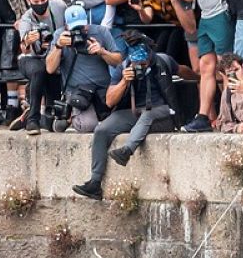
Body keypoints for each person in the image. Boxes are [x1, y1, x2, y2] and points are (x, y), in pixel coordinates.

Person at [72, 32, 178, 200]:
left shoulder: (163, 61)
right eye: (136, 63)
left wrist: (198, 77)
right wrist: (124, 81)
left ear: (149, 56)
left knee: (148, 115)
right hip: (136, 111)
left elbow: (183, 71)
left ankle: (127, 151)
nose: (139, 66)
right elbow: (109, 101)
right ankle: (95, 182)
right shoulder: (124, 67)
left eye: (142, 63)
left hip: (162, 112)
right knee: (101, 130)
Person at [155, 0, 228, 132]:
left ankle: (231, 114)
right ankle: (203, 117)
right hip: (206, 16)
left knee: (226, 67)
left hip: (221, 13)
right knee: (205, 68)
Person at [45, 4, 125, 133]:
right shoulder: (60, 35)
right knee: (87, 126)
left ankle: (75, 116)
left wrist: (102, 52)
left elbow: (117, 60)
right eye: (75, 28)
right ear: (66, 26)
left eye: (82, 27)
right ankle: (71, 116)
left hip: (101, 90)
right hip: (78, 92)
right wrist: (58, 47)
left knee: (115, 125)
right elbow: (50, 69)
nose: (80, 31)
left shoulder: (101, 32)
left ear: (87, 23)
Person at [10, 0, 63, 134]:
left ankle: (32, 115)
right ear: (28, 0)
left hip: (54, 57)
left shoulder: (59, 7)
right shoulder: (26, 19)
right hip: (32, 59)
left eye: (43, 1)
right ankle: (32, 119)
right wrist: (28, 40)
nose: (40, 4)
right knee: (39, 71)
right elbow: (24, 49)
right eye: (36, 2)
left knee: (51, 119)